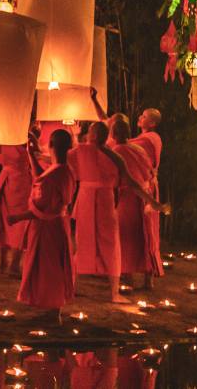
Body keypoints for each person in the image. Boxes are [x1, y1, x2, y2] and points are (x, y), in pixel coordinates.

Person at [67, 121, 144, 303]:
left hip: (95, 199)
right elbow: (132, 182)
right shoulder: (112, 155)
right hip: (100, 199)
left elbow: (60, 159)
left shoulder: (84, 151)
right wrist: (151, 201)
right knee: (103, 242)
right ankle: (113, 292)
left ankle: (73, 287)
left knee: (88, 241)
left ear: (93, 135)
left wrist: (35, 154)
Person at [9, 129, 76, 325]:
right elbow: (42, 179)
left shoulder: (57, 174)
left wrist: (18, 217)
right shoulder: (64, 170)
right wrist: (31, 156)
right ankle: (51, 308)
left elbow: (43, 206)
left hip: (48, 227)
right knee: (52, 266)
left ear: (52, 146)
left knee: (50, 268)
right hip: (58, 224)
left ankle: (53, 311)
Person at [111, 118, 170, 289]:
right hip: (145, 194)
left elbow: (120, 177)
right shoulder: (138, 148)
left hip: (129, 197)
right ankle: (147, 279)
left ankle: (127, 275)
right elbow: (149, 171)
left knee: (126, 236)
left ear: (114, 134)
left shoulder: (117, 151)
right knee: (146, 236)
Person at [129, 109, 167, 288]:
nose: (139, 118)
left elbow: (123, 147)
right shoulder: (146, 139)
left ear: (152, 123)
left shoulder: (150, 139)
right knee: (134, 230)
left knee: (147, 230)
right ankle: (128, 273)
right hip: (138, 187)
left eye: (143, 116)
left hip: (146, 188)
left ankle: (148, 277)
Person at [0, 143, 33, 275]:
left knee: (6, 218)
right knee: (18, 222)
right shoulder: (24, 139)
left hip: (9, 180)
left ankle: (5, 262)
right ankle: (13, 264)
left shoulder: (5, 138)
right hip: (17, 181)